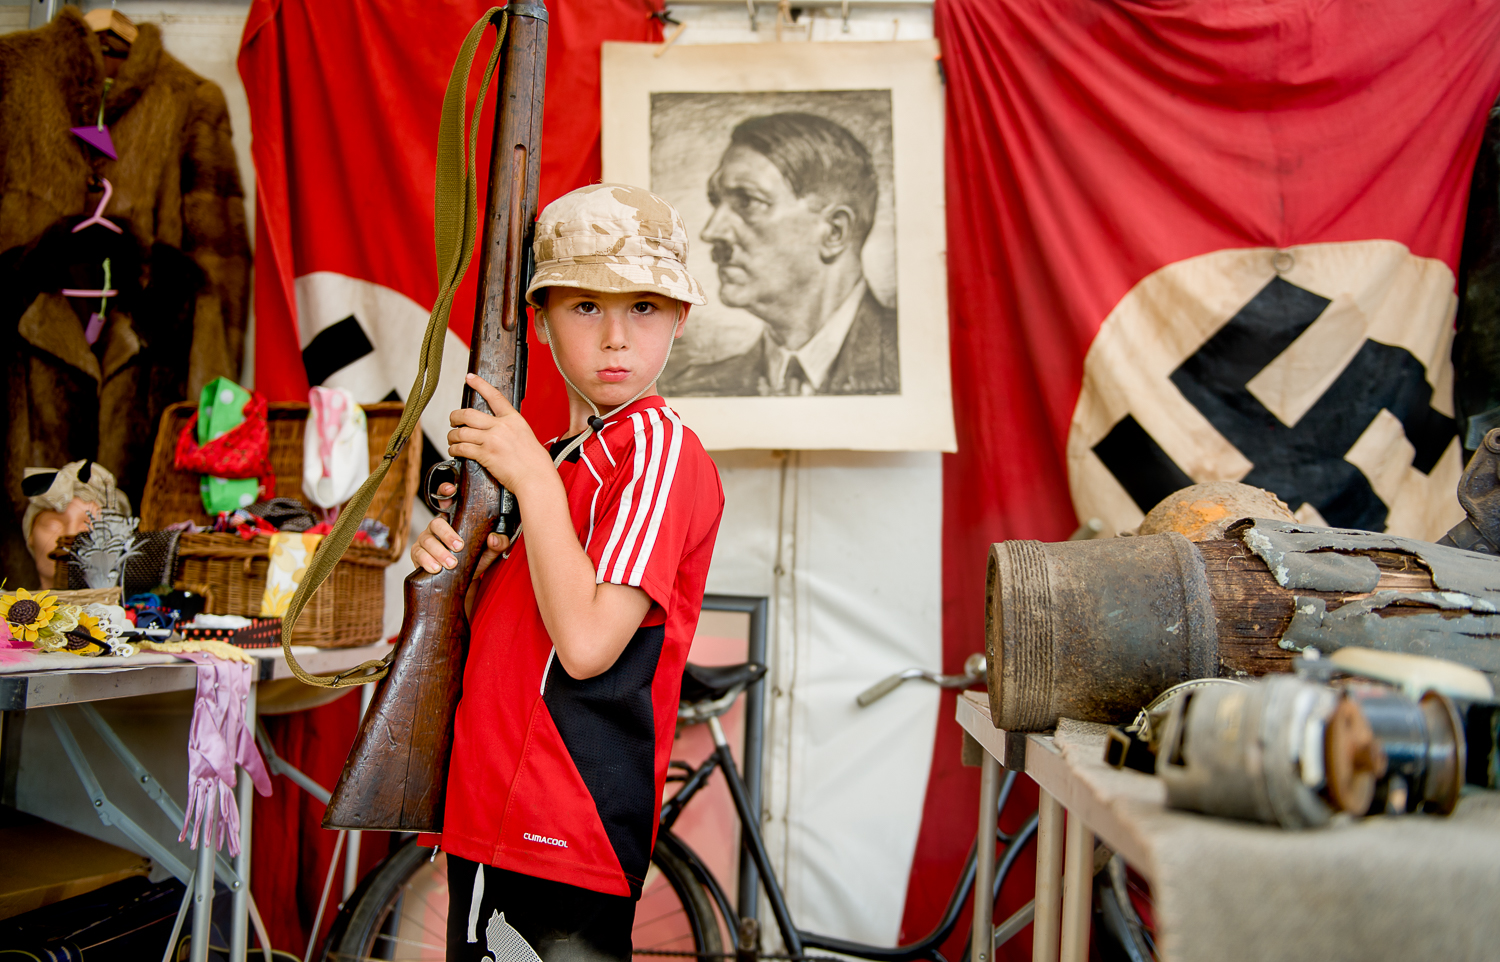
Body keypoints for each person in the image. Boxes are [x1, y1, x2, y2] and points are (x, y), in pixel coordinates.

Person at [409, 184, 724, 962]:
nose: (616, 337)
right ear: (541, 323)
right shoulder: (564, 457)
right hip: (490, 812)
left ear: (679, 319)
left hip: (563, 819)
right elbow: (524, 641)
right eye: (584, 307)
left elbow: (584, 645)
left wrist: (534, 485)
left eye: (644, 307)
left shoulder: (657, 451)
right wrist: (470, 568)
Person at [667, 111, 899, 397]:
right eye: (717, 202)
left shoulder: (916, 362)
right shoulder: (694, 391)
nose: (712, 232)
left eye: (748, 201)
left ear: (834, 232)